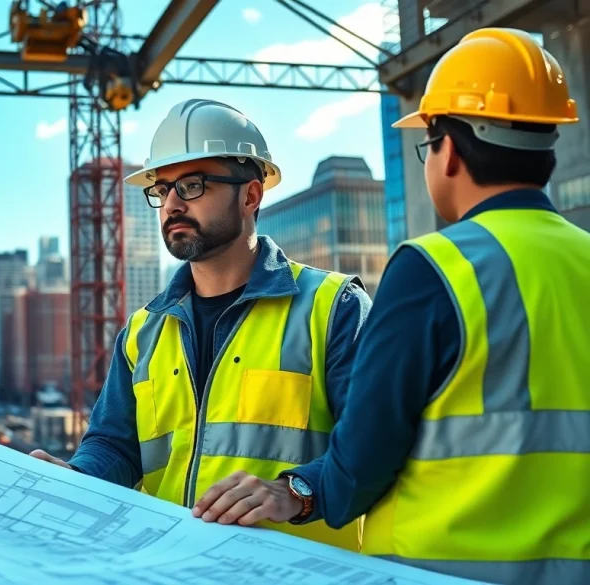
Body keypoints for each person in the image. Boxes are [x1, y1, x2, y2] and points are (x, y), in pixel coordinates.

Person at [239, 28, 590, 584]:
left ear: (448, 150)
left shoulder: (435, 268)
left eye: (426, 145)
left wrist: (298, 491)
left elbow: (364, 458)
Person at [29, 98, 372, 551]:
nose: (170, 203)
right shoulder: (143, 331)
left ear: (250, 195)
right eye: (162, 189)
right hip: (171, 566)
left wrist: (296, 491)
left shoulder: (332, 308)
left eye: (191, 185)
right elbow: (116, 446)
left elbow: (373, 445)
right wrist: (77, 476)